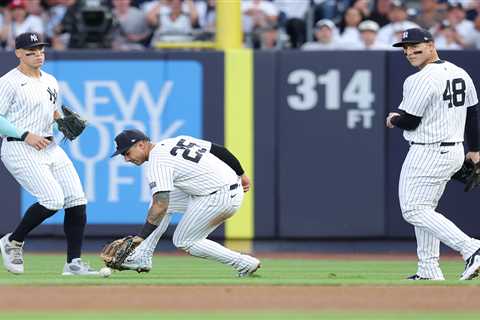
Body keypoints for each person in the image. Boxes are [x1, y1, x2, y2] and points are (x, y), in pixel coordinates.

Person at [386, 28, 480, 281]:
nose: (409, 51)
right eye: (405, 48)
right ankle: (428, 269)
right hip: (454, 150)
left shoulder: (420, 79)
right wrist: (475, 150)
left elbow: (411, 121)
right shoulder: (459, 72)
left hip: (428, 150)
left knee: (414, 210)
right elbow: (473, 113)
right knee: (426, 209)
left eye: (415, 45)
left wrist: (394, 118)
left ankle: (472, 248)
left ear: (431, 45)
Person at [0, 32, 97, 276]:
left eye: (40, 50)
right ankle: (13, 241)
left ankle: (73, 263)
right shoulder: (8, 82)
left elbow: (52, 114)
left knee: (77, 200)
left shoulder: (50, 80)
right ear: (18, 54)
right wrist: (25, 134)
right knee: (53, 200)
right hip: (19, 147)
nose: (38, 55)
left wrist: (62, 122)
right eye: (31, 51)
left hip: (50, 146)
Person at [110, 129, 261, 277]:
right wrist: (242, 174)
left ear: (141, 145)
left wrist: (141, 237)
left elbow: (160, 205)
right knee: (163, 200)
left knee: (184, 240)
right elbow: (220, 150)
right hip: (223, 189)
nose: (126, 159)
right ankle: (141, 256)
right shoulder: (176, 141)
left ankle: (244, 263)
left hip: (219, 197)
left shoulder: (158, 161)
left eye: (127, 153)